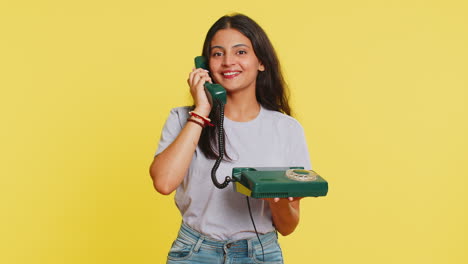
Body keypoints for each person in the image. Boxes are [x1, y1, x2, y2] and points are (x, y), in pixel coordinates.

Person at [150, 13, 311, 264]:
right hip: (194, 251)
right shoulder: (183, 119)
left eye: (240, 52)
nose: (228, 62)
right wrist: (202, 110)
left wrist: (276, 200)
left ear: (261, 62)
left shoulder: (286, 129)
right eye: (217, 53)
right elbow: (164, 182)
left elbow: (288, 226)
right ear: (204, 65)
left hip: (260, 253)